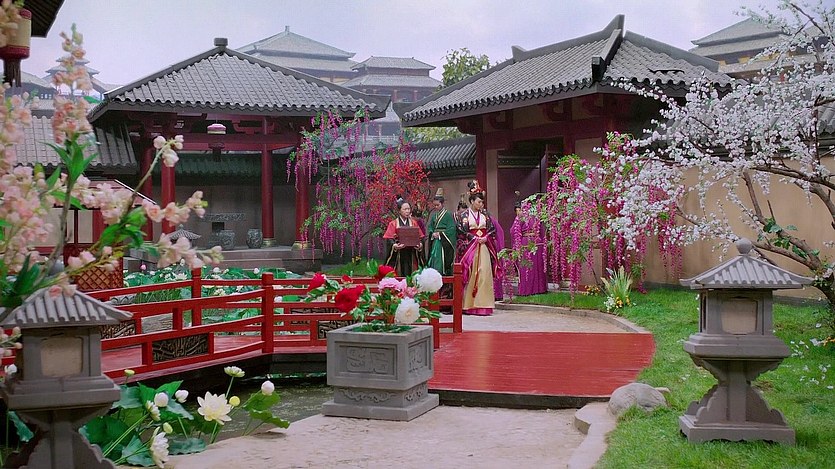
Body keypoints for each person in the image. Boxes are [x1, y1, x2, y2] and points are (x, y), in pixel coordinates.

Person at [458, 181, 498, 315]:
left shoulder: (485, 215)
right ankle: (469, 304)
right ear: (472, 201)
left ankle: (484, 305)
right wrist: (473, 238)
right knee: (471, 274)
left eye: (482, 202)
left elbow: (492, 230)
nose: (481, 204)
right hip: (471, 248)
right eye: (479, 202)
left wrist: (486, 238)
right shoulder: (463, 216)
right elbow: (461, 231)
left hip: (484, 246)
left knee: (484, 273)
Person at [511, 199, 548, 295]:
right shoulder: (536, 215)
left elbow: (514, 231)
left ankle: (527, 290)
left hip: (526, 242)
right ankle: (539, 289)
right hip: (537, 242)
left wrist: (517, 245)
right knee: (536, 266)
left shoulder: (520, 216)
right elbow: (541, 231)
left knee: (527, 267)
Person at [383, 197, 425, 277]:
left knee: (413, 273)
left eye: (408, 209)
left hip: (411, 252)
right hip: (399, 253)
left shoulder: (414, 223)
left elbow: (421, 237)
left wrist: (420, 245)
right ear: (399, 211)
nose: (407, 211)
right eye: (405, 209)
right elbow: (389, 239)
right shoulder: (393, 223)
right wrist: (394, 245)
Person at [426, 188, 457, 276]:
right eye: (434, 205)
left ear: (442, 204)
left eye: (438, 205)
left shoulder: (448, 215)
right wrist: (432, 233)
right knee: (434, 257)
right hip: (435, 240)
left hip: (443, 241)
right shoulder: (434, 216)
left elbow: (451, 229)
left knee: (441, 258)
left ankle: (442, 273)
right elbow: (430, 227)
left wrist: (440, 234)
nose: (436, 207)